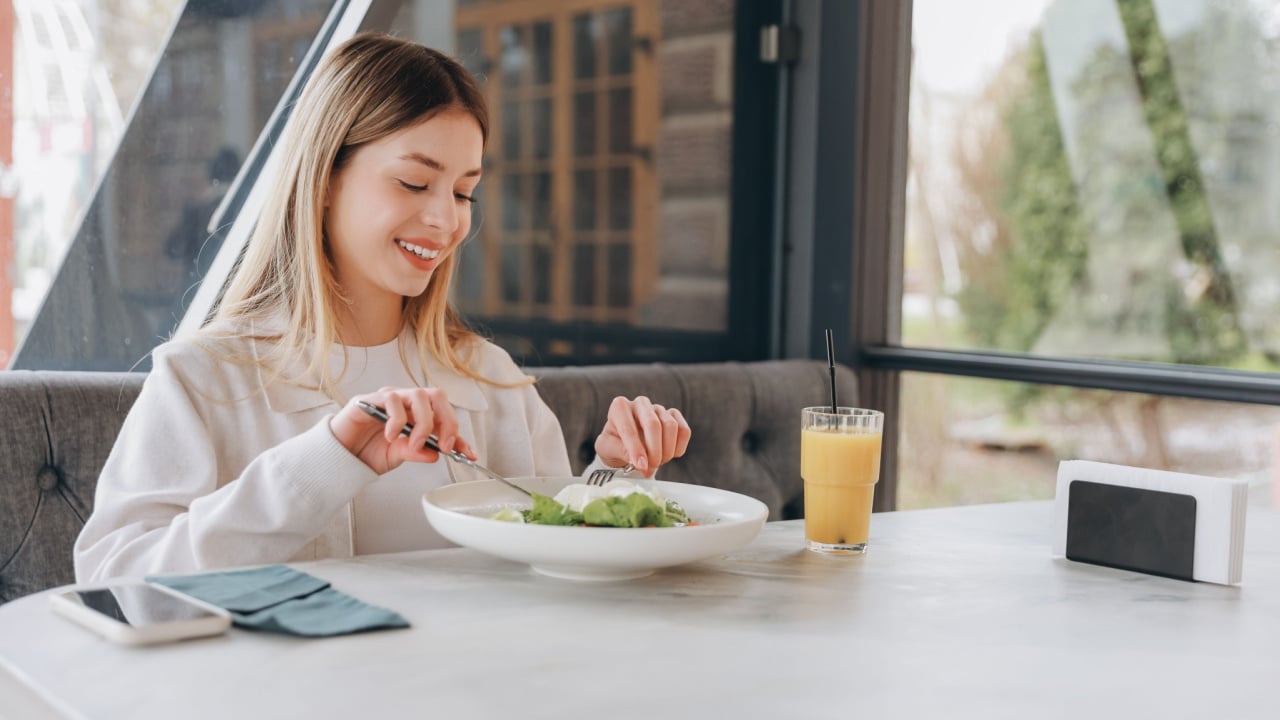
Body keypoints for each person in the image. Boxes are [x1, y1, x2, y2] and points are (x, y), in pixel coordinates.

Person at [74, 33, 691, 583]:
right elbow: (119, 583)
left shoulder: (492, 378)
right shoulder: (201, 377)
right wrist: (328, 459)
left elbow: (551, 563)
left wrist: (614, 475)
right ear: (324, 182)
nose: (447, 219)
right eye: (414, 183)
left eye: (464, 191)